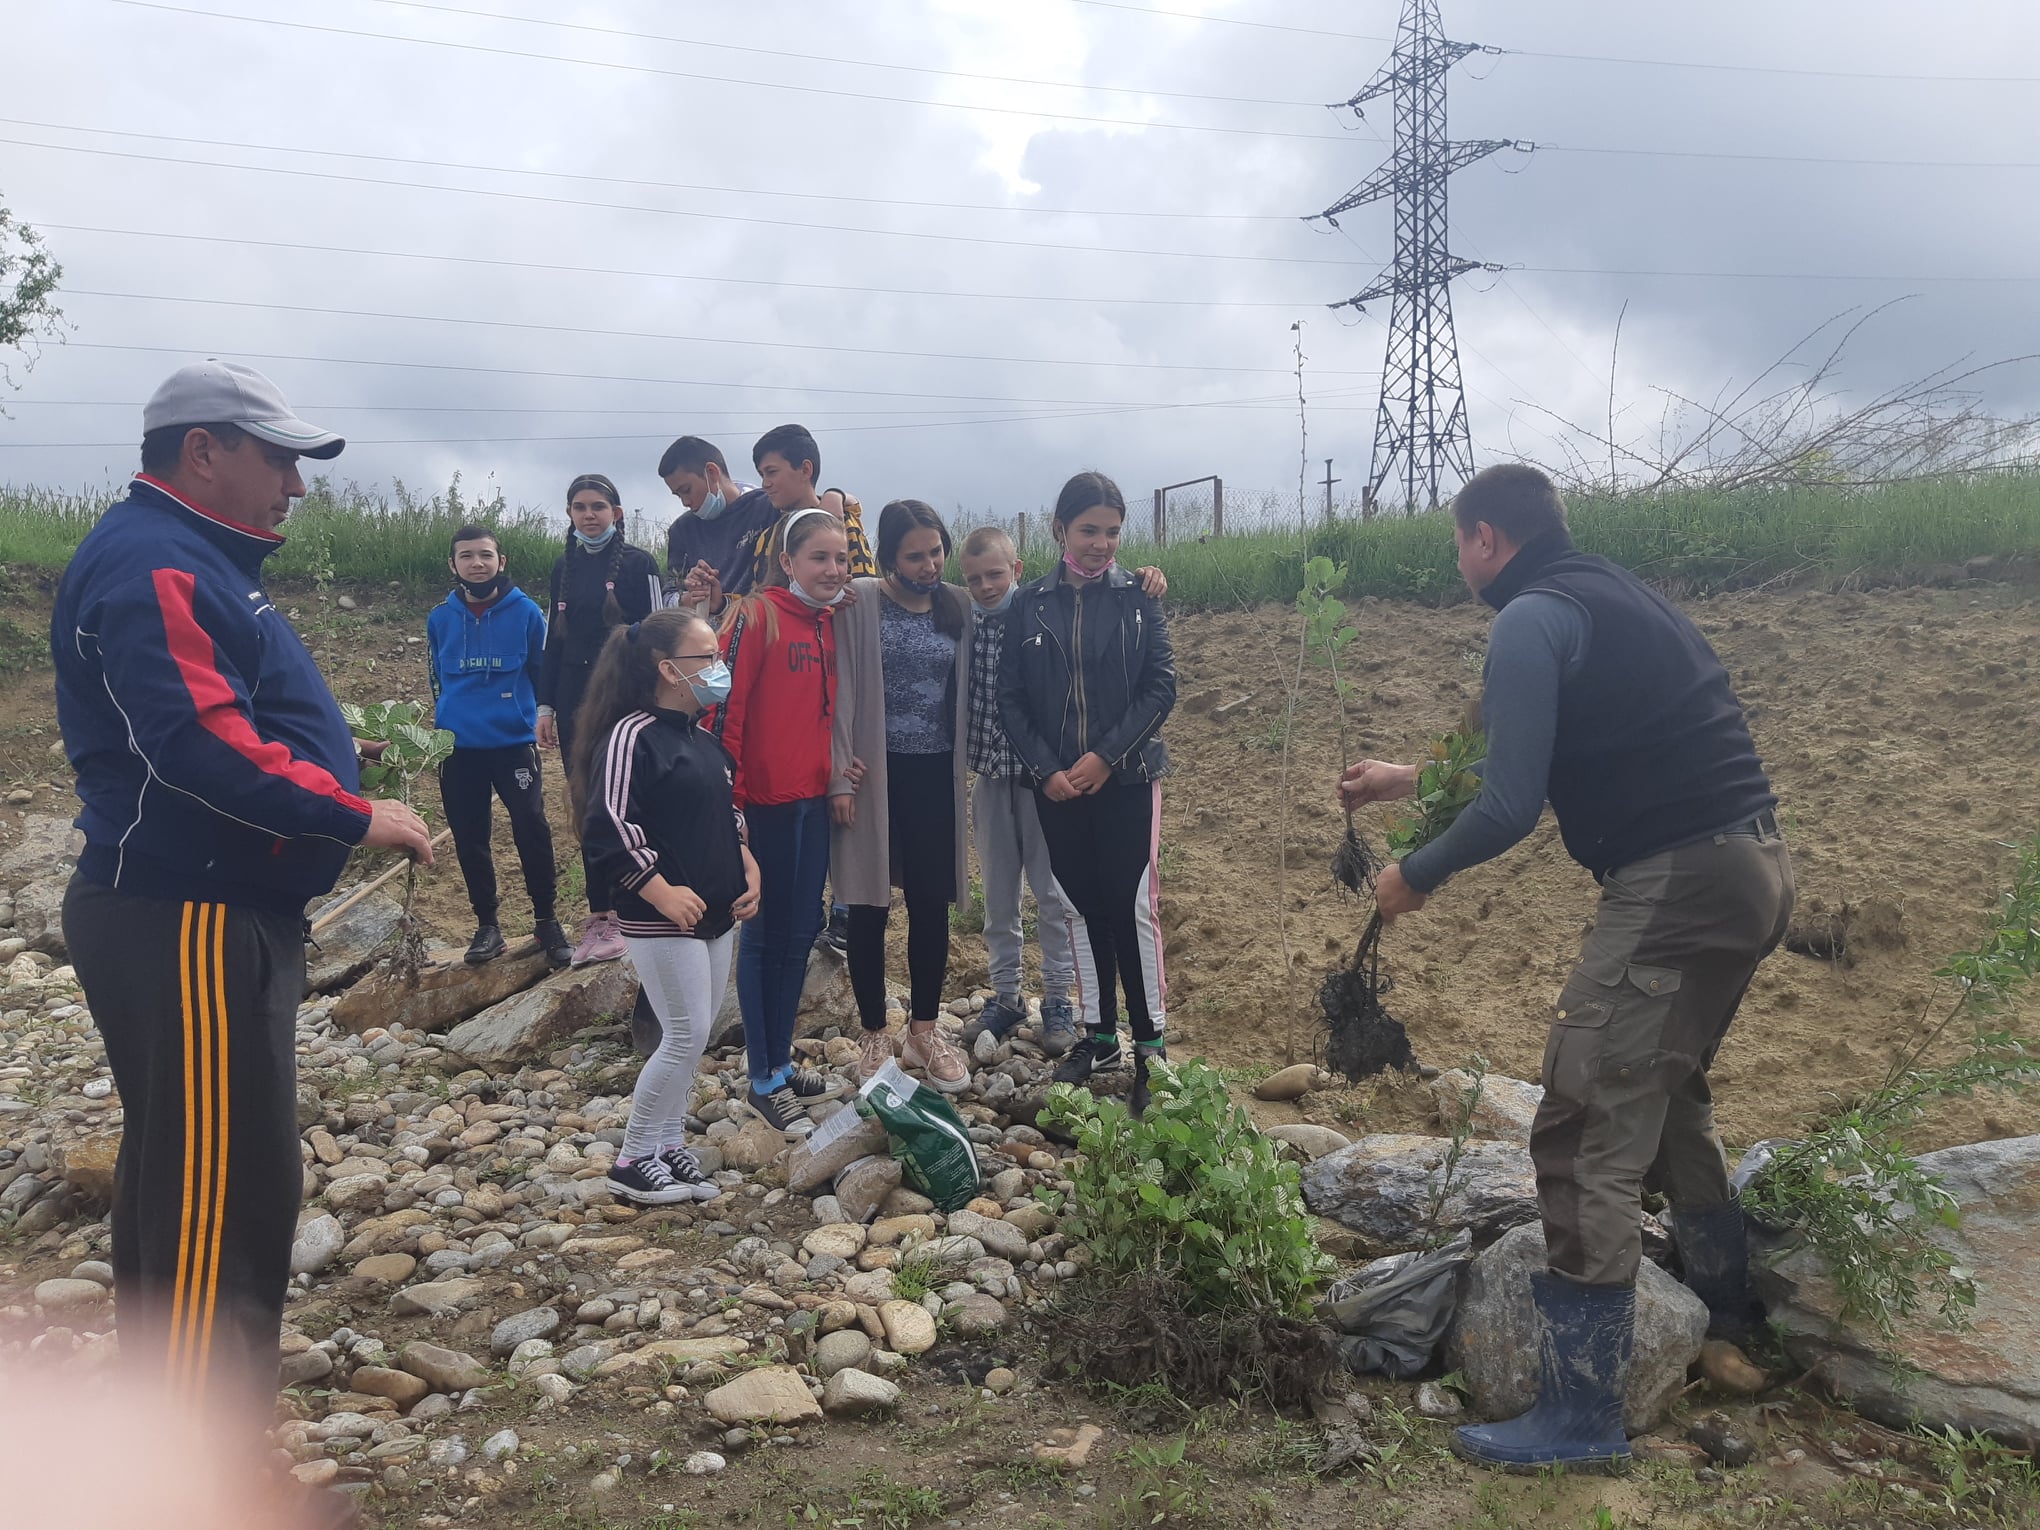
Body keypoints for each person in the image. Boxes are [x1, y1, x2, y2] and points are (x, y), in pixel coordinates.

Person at [1339, 462, 1793, 1475]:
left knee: (1584, 1116)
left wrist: (1415, 874)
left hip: (1676, 883)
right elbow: (1523, 745)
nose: (1460, 563)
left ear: (1486, 539)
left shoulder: (1529, 618)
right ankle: (1726, 1311)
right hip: (1755, 868)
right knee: (1667, 1089)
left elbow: (1510, 806)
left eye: (1459, 544)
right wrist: (1407, 779)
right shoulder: (1608, 591)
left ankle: (1580, 1412)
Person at [50, 362, 434, 1494]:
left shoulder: (189, 555)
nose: (295, 487)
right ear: (203, 450)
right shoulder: (158, 561)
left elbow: (217, 717)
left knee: (194, 1178)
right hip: (188, 915)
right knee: (219, 1198)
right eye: (279, 459)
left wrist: (334, 766)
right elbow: (197, 743)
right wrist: (353, 812)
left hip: (205, 911)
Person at [997, 471, 1176, 1115]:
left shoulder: (1139, 598)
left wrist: (1105, 758)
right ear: (1060, 530)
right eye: (1088, 530)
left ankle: (1151, 1050)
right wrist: (1047, 770)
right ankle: (1100, 1037)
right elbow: (1011, 697)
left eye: (1112, 532)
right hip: (1058, 788)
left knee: (1130, 908)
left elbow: (1161, 687)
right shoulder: (1029, 605)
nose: (1101, 544)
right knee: (1082, 906)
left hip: (1126, 779)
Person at [957, 527, 1171, 1059]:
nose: (986, 586)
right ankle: (1015, 997)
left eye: (995, 574)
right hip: (1009, 776)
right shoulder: (973, 617)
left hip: (1063, 777)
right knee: (1009, 896)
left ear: (1017, 569)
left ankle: (1067, 1003)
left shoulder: (1066, 605)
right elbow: (1004, 696)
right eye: (974, 579)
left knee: (1064, 898)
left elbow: (1153, 684)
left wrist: (1094, 758)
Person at [571, 609, 760, 1205]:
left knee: (696, 1033)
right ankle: (632, 1159)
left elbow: (724, 815)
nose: (720, 668)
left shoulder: (704, 742)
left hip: (715, 913)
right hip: (661, 915)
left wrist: (748, 865)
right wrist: (660, 890)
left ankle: (667, 1143)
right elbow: (608, 827)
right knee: (682, 1033)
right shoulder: (631, 737)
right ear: (669, 669)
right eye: (709, 658)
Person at [711, 508, 854, 1133]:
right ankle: (763, 1077)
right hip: (762, 805)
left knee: (799, 934)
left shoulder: (831, 621)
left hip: (811, 803)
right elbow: (724, 712)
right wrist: (731, 805)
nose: (833, 569)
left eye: (841, 559)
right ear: (788, 561)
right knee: (765, 937)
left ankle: (779, 1059)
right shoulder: (756, 616)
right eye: (819, 558)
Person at [830, 500, 973, 1093]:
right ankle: (873, 1033)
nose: (929, 564)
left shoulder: (957, 604)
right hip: (873, 774)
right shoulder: (859, 602)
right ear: (888, 557)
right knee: (867, 904)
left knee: (930, 903)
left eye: (936, 552)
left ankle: (923, 1031)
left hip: (935, 773)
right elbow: (837, 685)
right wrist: (839, 772)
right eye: (915, 556)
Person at [428, 524, 572, 968]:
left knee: (531, 826)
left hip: (512, 742)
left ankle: (547, 921)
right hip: (458, 747)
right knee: (470, 836)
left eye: (485, 555)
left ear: (500, 561)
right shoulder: (440, 618)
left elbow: (541, 672)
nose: (477, 563)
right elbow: (437, 679)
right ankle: (487, 927)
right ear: (453, 564)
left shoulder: (526, 612)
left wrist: (545, 716)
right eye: (467, 556)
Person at [535, 473, 663, 966]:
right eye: (580, 507)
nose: (589, 515)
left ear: (617, 512)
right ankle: (602, 915)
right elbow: (553, 640)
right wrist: (545, 706)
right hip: (573, 701)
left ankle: (640, 907)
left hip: (625, 698)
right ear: (570, 514)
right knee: (588, 805)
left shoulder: (640, 564)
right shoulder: (562, 567)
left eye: (598, 506)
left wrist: (657, 702)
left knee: (632, 804)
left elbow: (659, 635)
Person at [658, 434, 780, 612]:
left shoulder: (768, 506)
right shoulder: (682, 530)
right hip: (708, 627)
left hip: (765, 620)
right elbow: (667, 595)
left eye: (686, 490)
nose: (685, 502)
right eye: (678, 495)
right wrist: (688, 598)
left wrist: (830, 497)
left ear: (712, 472)